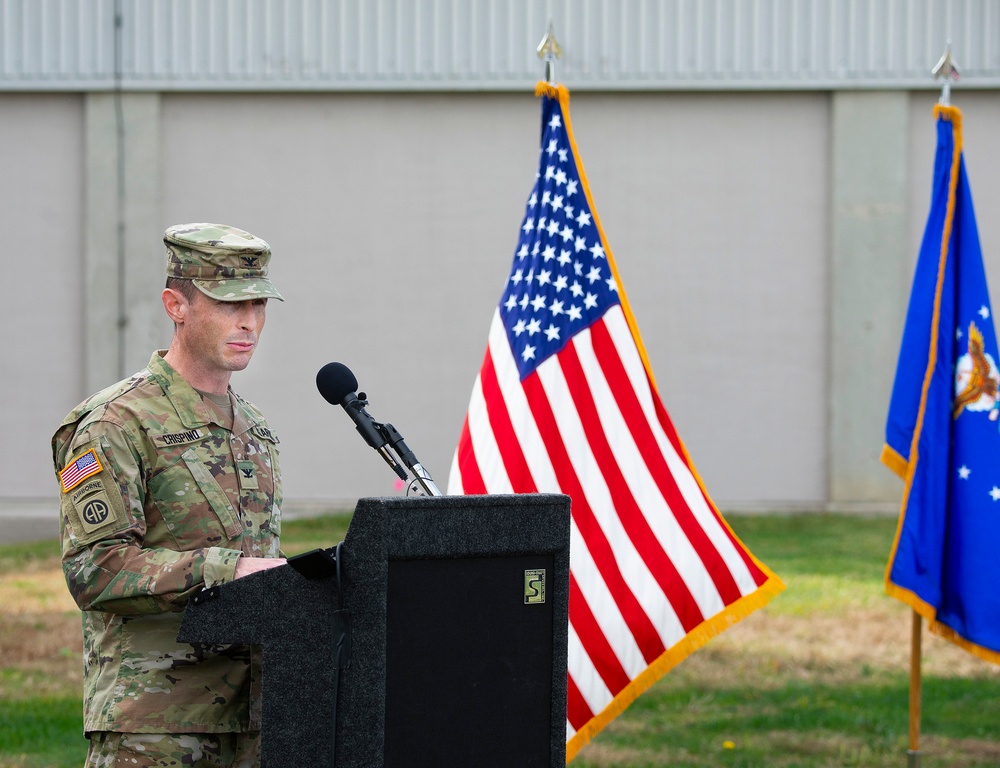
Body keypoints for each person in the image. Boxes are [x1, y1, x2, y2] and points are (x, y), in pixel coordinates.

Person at [52, 223, 288, 768]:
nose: (249, 321)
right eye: (229, 304)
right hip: (154, 728)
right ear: (175, 304)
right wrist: (229, 572)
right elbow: (97, 569)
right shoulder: (114, 423)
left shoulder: (255, 429)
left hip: (257, 724)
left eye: (258, 302)